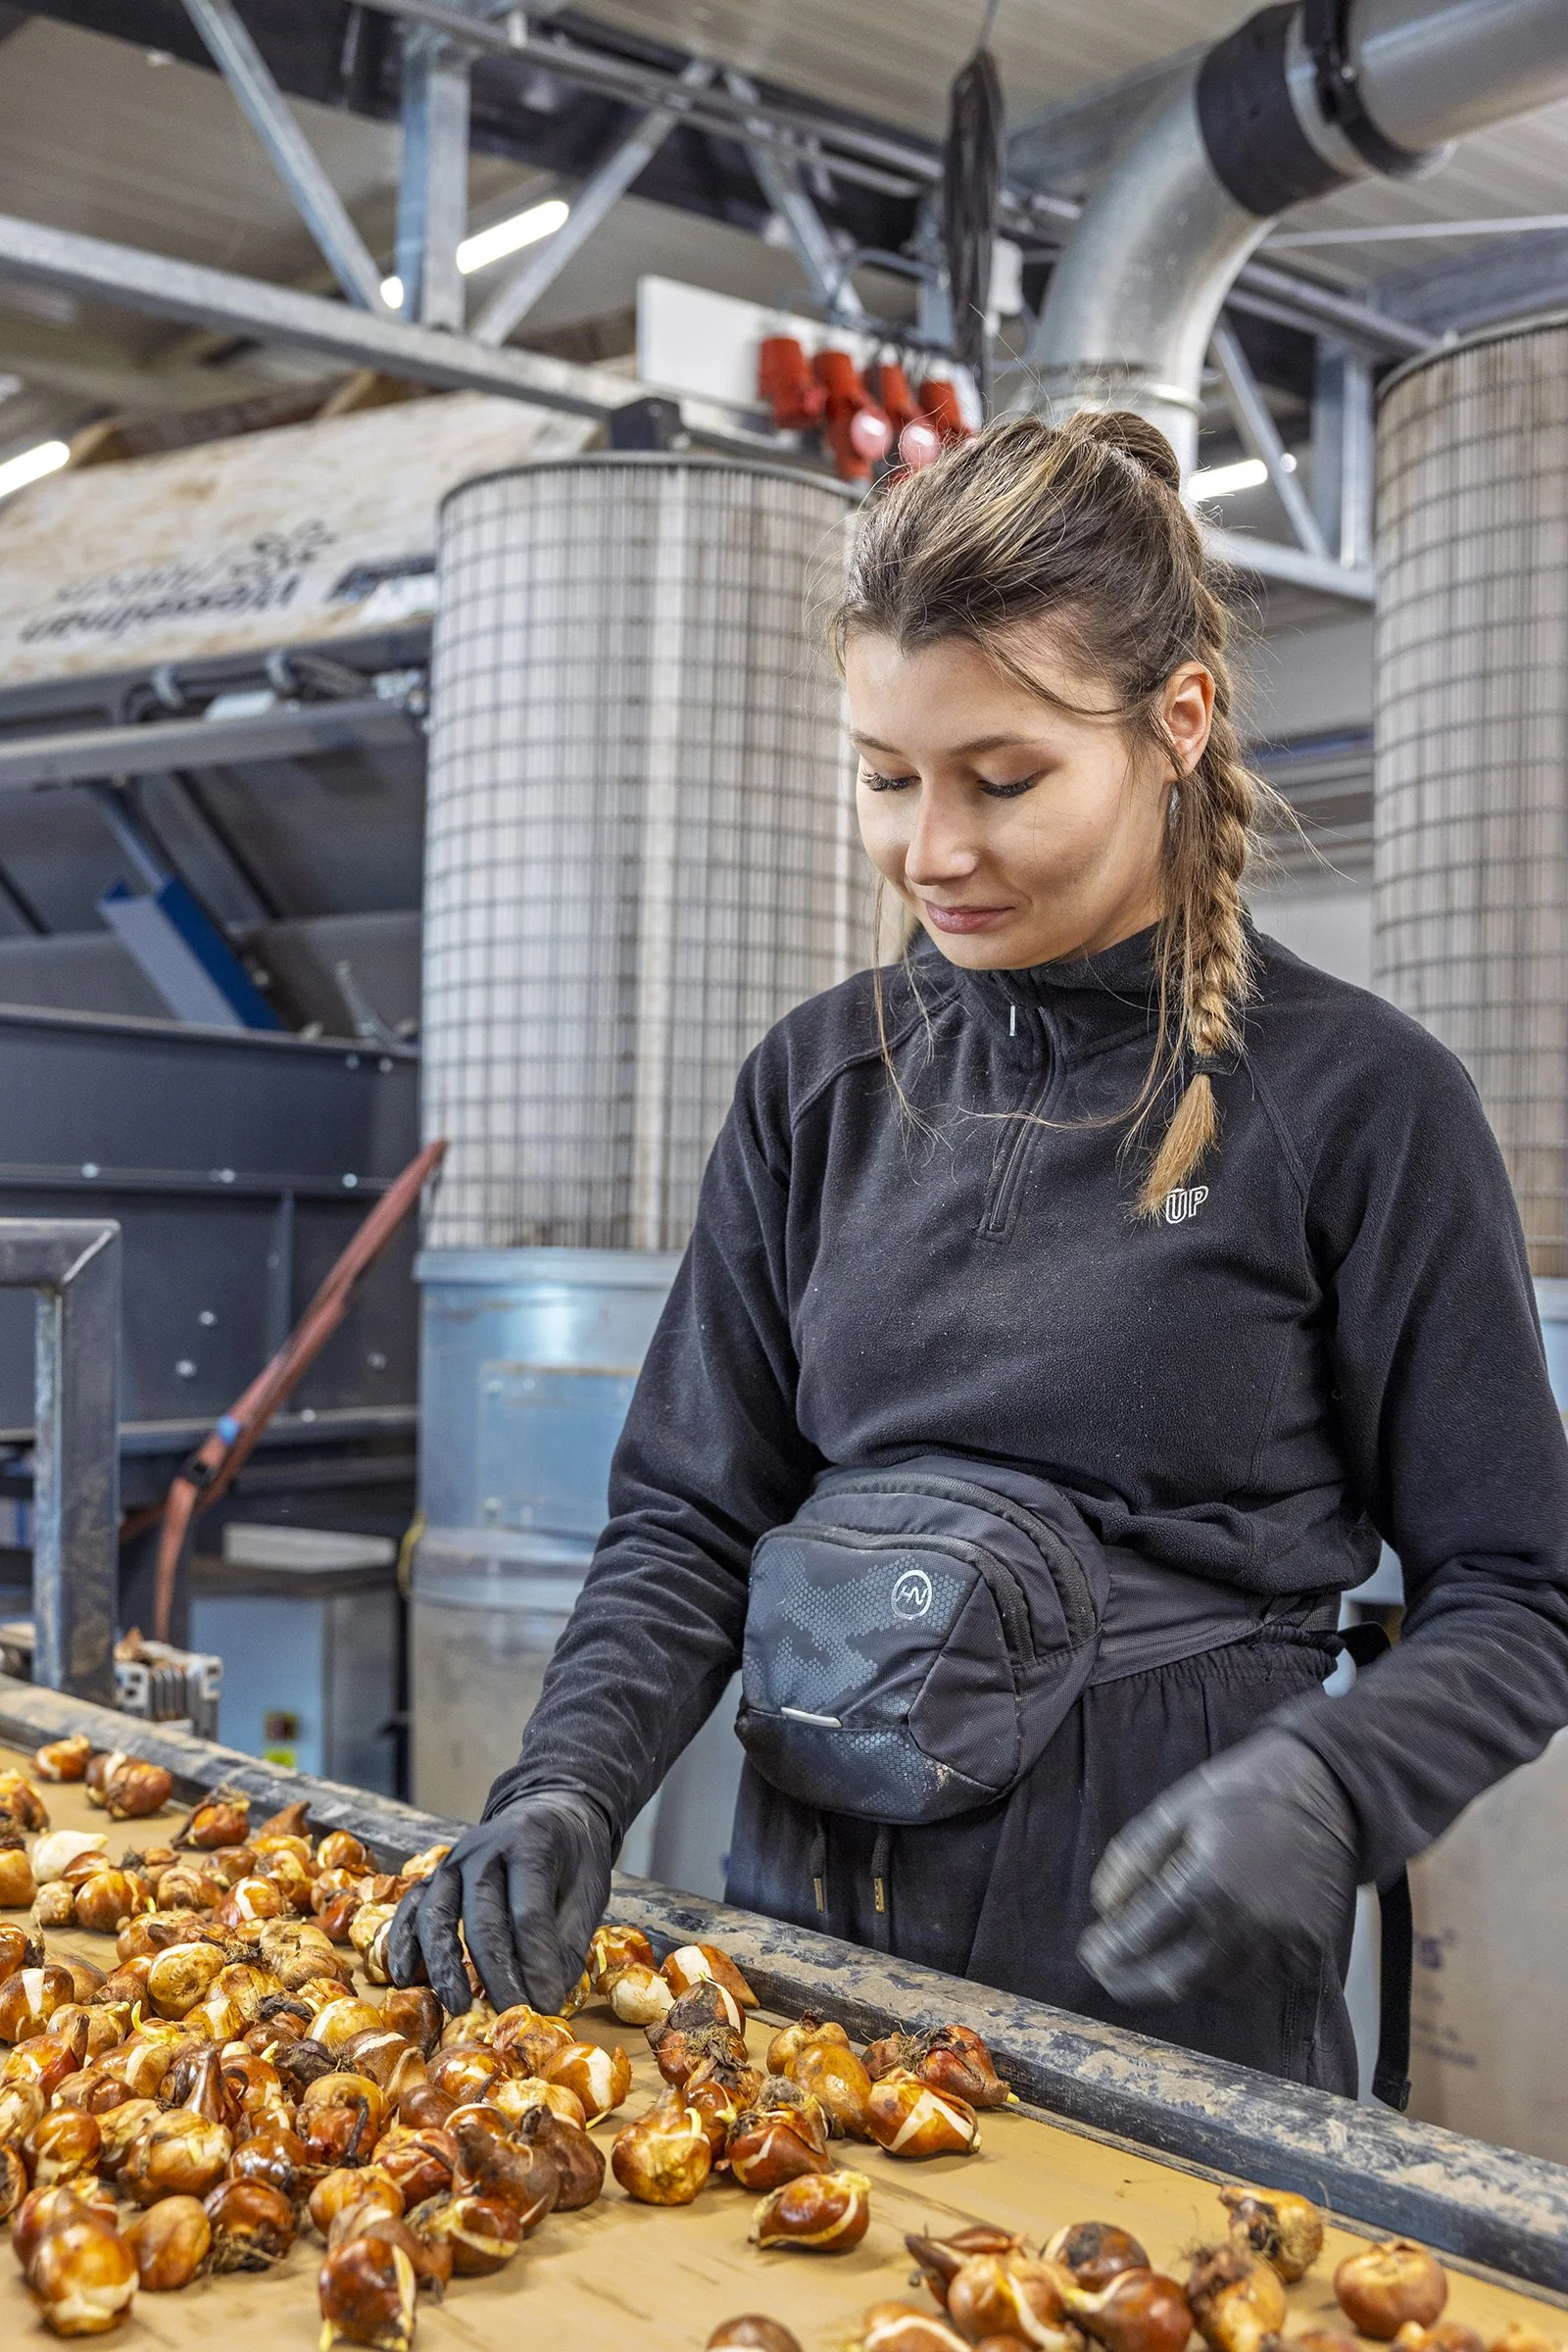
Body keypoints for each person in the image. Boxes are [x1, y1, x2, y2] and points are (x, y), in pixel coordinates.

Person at [389, 412, 1568, 2093]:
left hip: (1157, 2000)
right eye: (885, 777)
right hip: (802, 1975)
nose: (931, 848)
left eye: (1002, 780)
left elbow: (1521, 1598)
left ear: (1177, 726)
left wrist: (1331, 1786)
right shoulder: (823, 1082)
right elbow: (689, 1516)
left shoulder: (1357, 1104)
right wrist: (569, 1784)